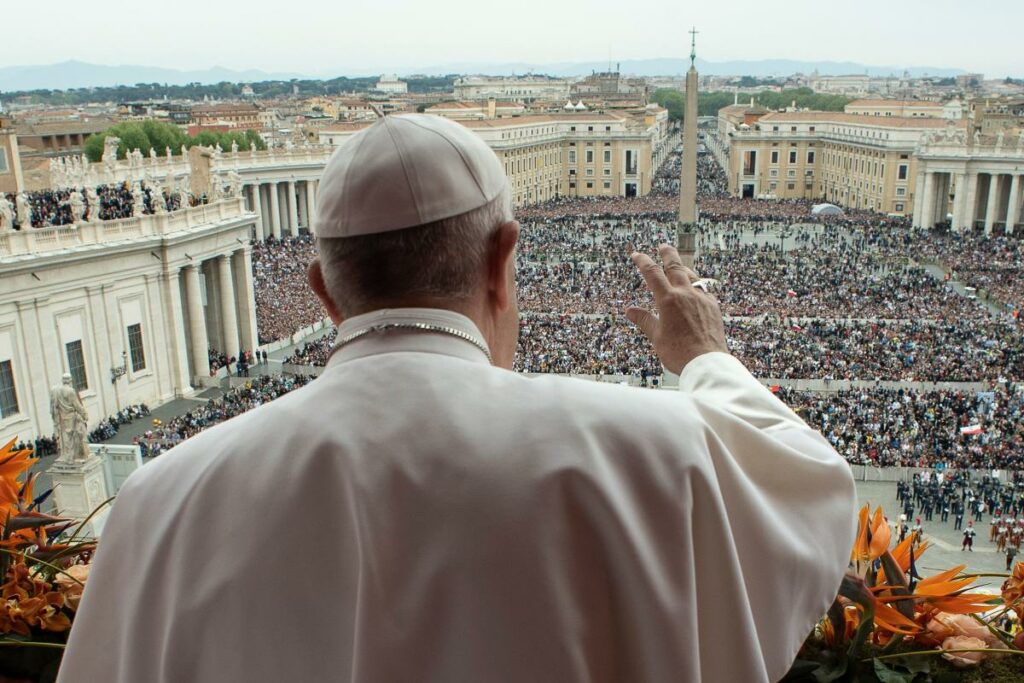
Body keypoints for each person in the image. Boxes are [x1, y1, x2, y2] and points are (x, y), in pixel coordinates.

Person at [58, 114, 857, 683]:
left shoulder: (158, 502)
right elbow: (810, 481)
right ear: (503, 261)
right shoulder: (654, 450)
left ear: (324, 293)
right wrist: (706, 357)